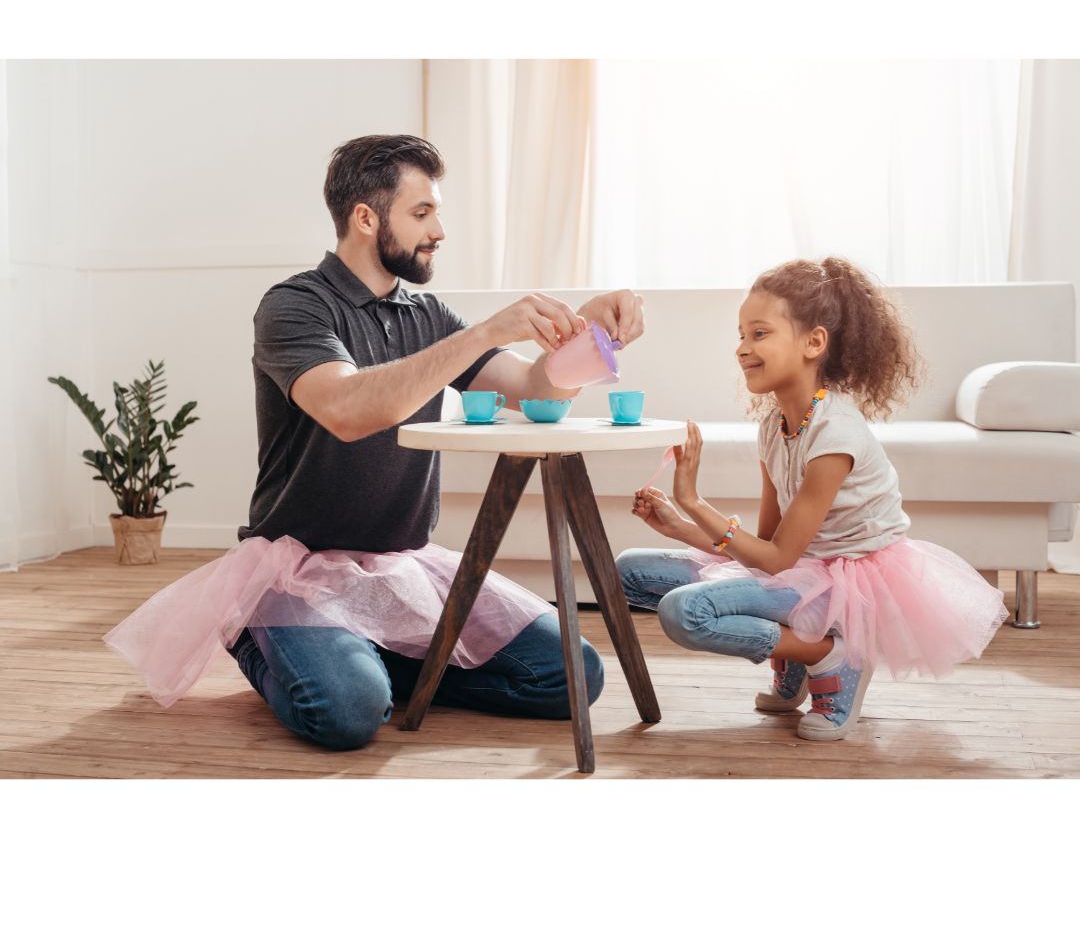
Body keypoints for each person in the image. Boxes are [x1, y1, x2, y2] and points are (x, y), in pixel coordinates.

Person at [105, 134, 646, 750]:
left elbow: (531, 388)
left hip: (401, 565)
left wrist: (591, 334)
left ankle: (380, 659)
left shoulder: (429, 316)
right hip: (297, 568)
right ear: (366, 218)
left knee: (574, 675)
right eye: (421, 213)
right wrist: (488, 330)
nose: (438, 229)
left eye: (436, 212)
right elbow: (350, 409)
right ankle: (263, 638)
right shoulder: (294, 306)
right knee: (349, 713)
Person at [615, 256, 1009, 741]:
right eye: (740, 335)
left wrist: (694, 501)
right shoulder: (774, 427)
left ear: (813, 342)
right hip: (798, 570)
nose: (742, 349)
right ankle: (797, 653)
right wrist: (679, 525)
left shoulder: (834, 436)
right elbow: (764, 547)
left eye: (759, 334)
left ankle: (827, 656)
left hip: (845, 583)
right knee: (627, 572)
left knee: (684, 612)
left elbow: (778, 560)